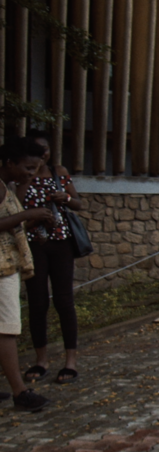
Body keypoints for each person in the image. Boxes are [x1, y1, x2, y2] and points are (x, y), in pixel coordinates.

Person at [17, 130, 84, 385]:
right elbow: (18, 205)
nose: (43, 154)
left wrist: (64, 197)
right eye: (37, 150)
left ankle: (70, 361)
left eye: (45, 149)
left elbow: (78, 203)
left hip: (62, 242)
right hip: (35, 244)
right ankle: (41, 359)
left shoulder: (59, 172)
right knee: (37, 302)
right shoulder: (24, 175)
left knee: (65, 300)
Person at [0, 137, 54, 411]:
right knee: (7, 329)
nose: (30, 174)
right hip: (2, 268)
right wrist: (26, 215)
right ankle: (20, 392)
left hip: (9, 263)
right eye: (27, 168)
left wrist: (35, 220)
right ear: (10, 163)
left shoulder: (7, 187)